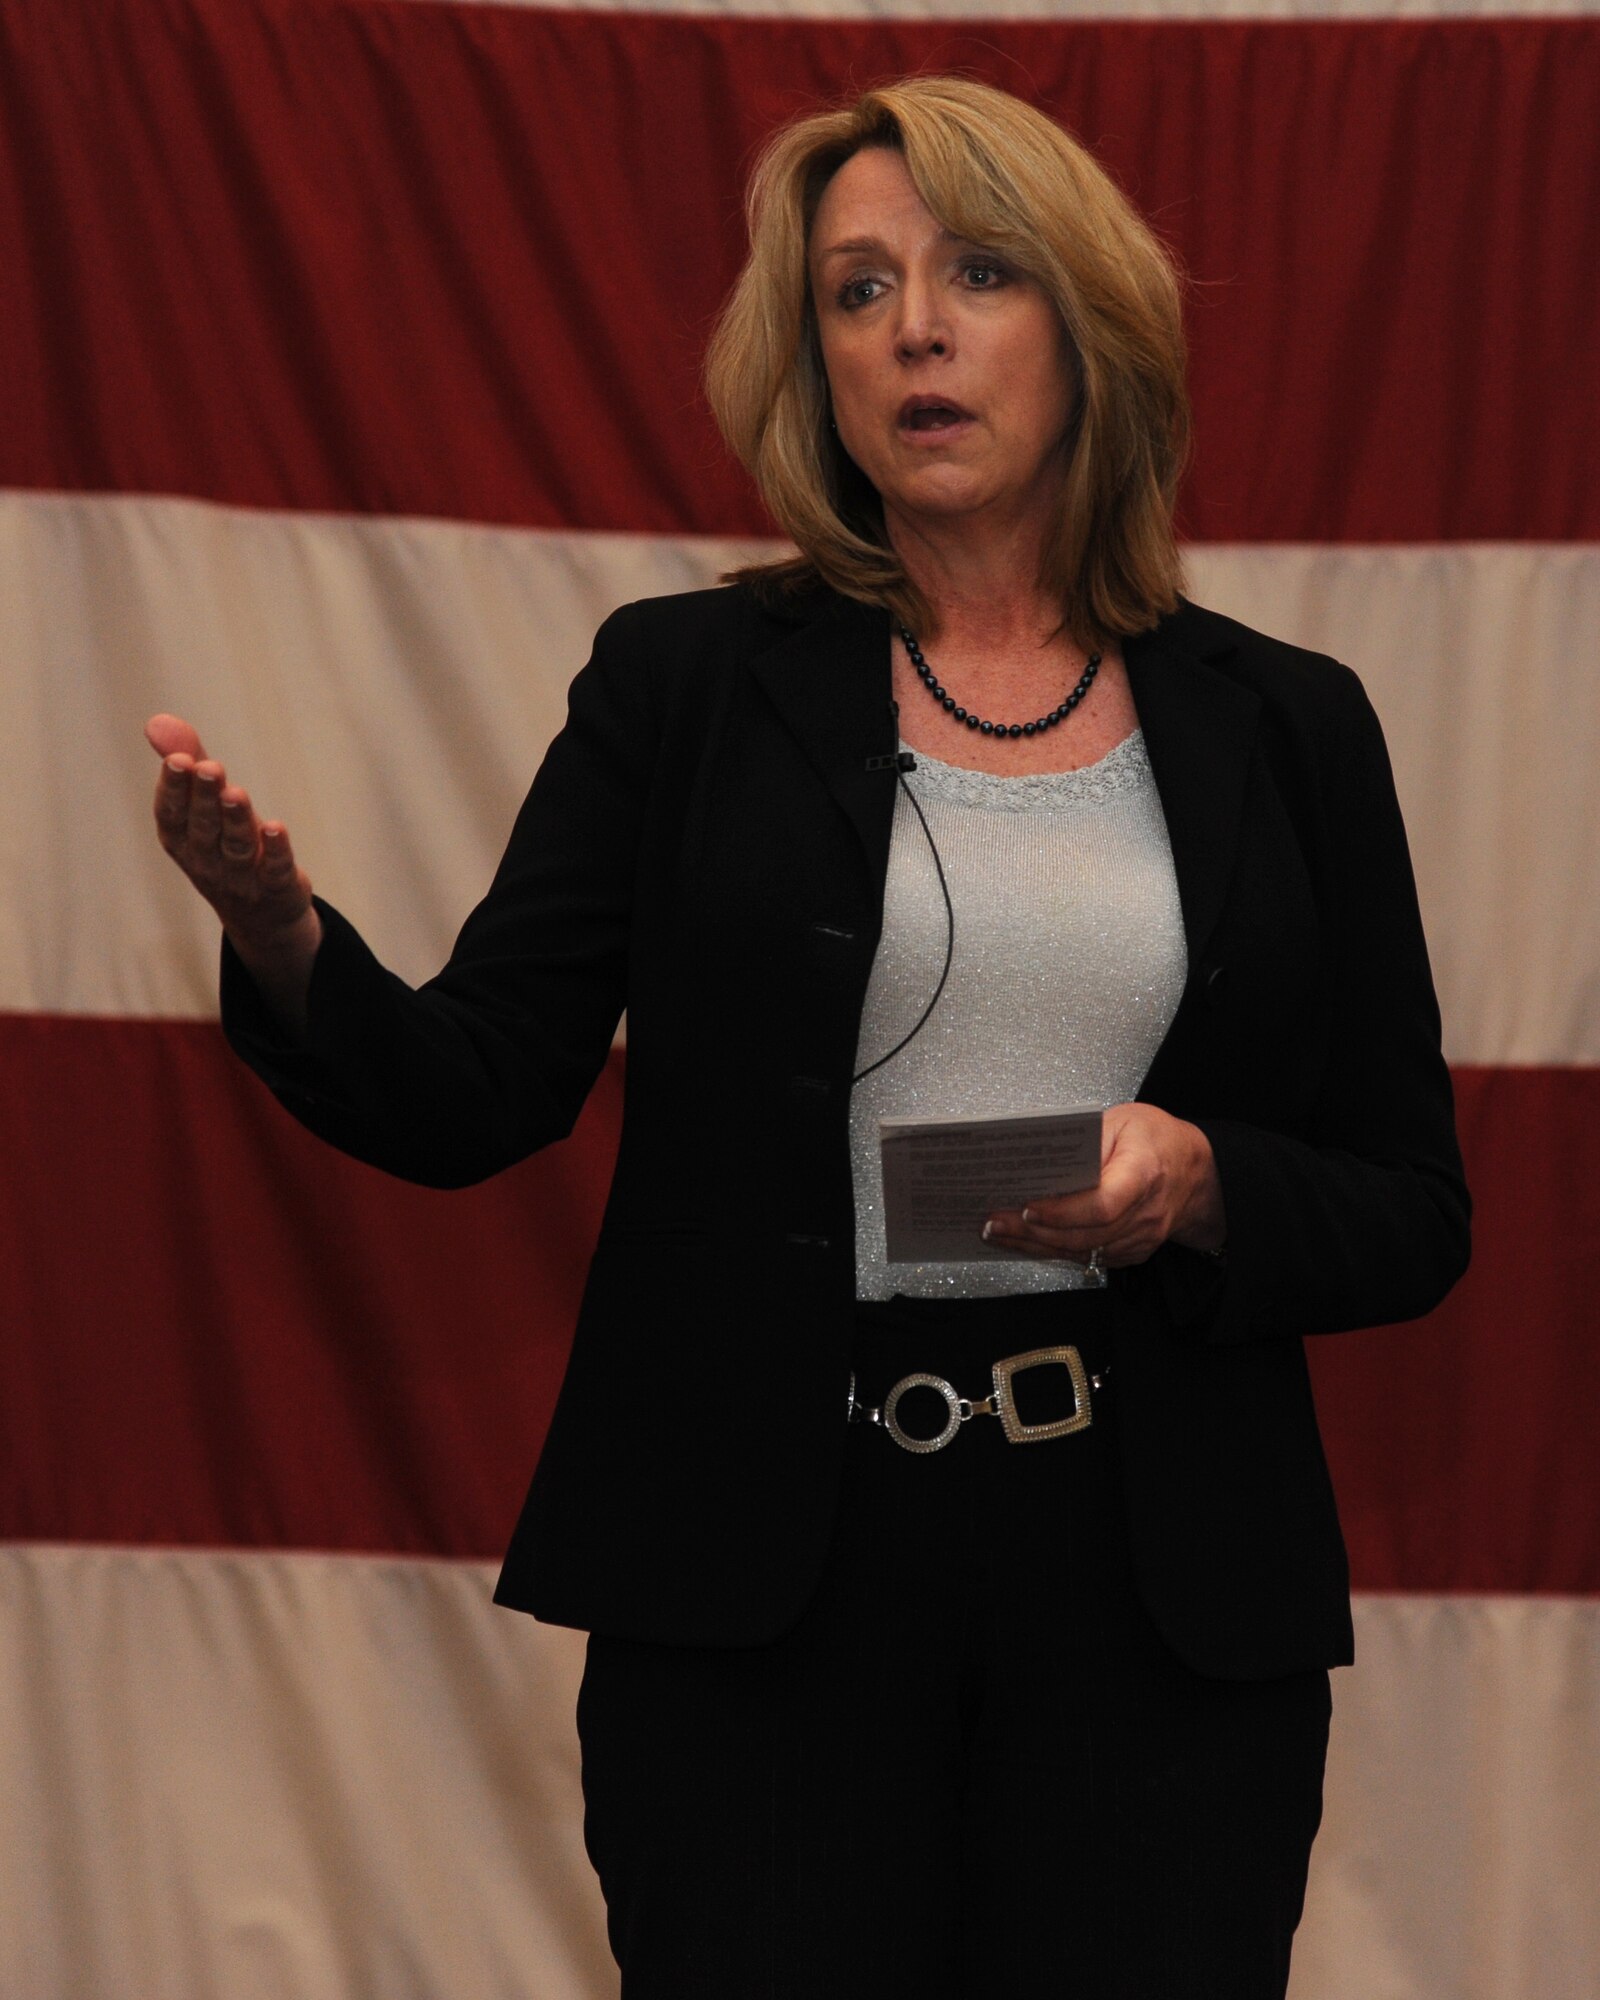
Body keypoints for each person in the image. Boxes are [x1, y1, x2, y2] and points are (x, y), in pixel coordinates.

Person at [145, 75, 1470, 2000]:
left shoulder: (1292, 725)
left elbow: (1414, 1206)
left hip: (1158, 1588)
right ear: (815, 367)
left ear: (1090, 330)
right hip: (767, 1583)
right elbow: (470, 1092)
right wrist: (278, 933)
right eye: (855, 292)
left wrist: (1204, 1187)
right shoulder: (684, 688)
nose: (912, 327)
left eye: (975, 273)